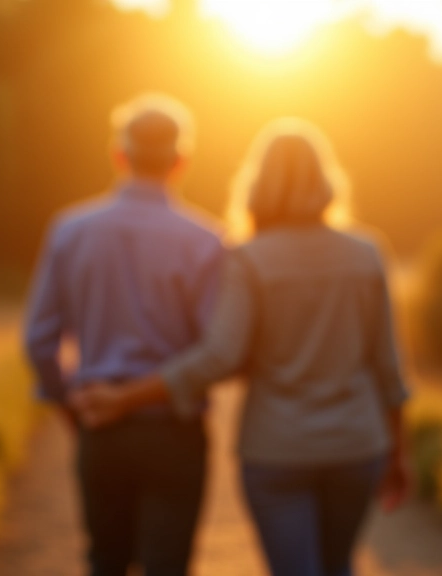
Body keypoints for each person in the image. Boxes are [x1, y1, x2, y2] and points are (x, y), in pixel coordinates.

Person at [71, 118, 411, 576]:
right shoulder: (367, 253)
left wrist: (125, 398)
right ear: (327, 180)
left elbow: (221, 356)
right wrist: (398, 452)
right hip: (356, 446)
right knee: (338, 566)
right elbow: (388, 367)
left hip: (276, 450)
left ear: (258, 183)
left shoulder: (248, 259)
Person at [22, 93, 224, 576]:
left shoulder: (70, 230)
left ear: (119, 156)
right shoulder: (206, 239)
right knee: (168, 567)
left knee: (105, 562)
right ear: (181, 162)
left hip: (101, 424)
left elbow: (38, 339)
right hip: (174, 429)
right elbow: (218, 348)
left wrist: (70, 400)